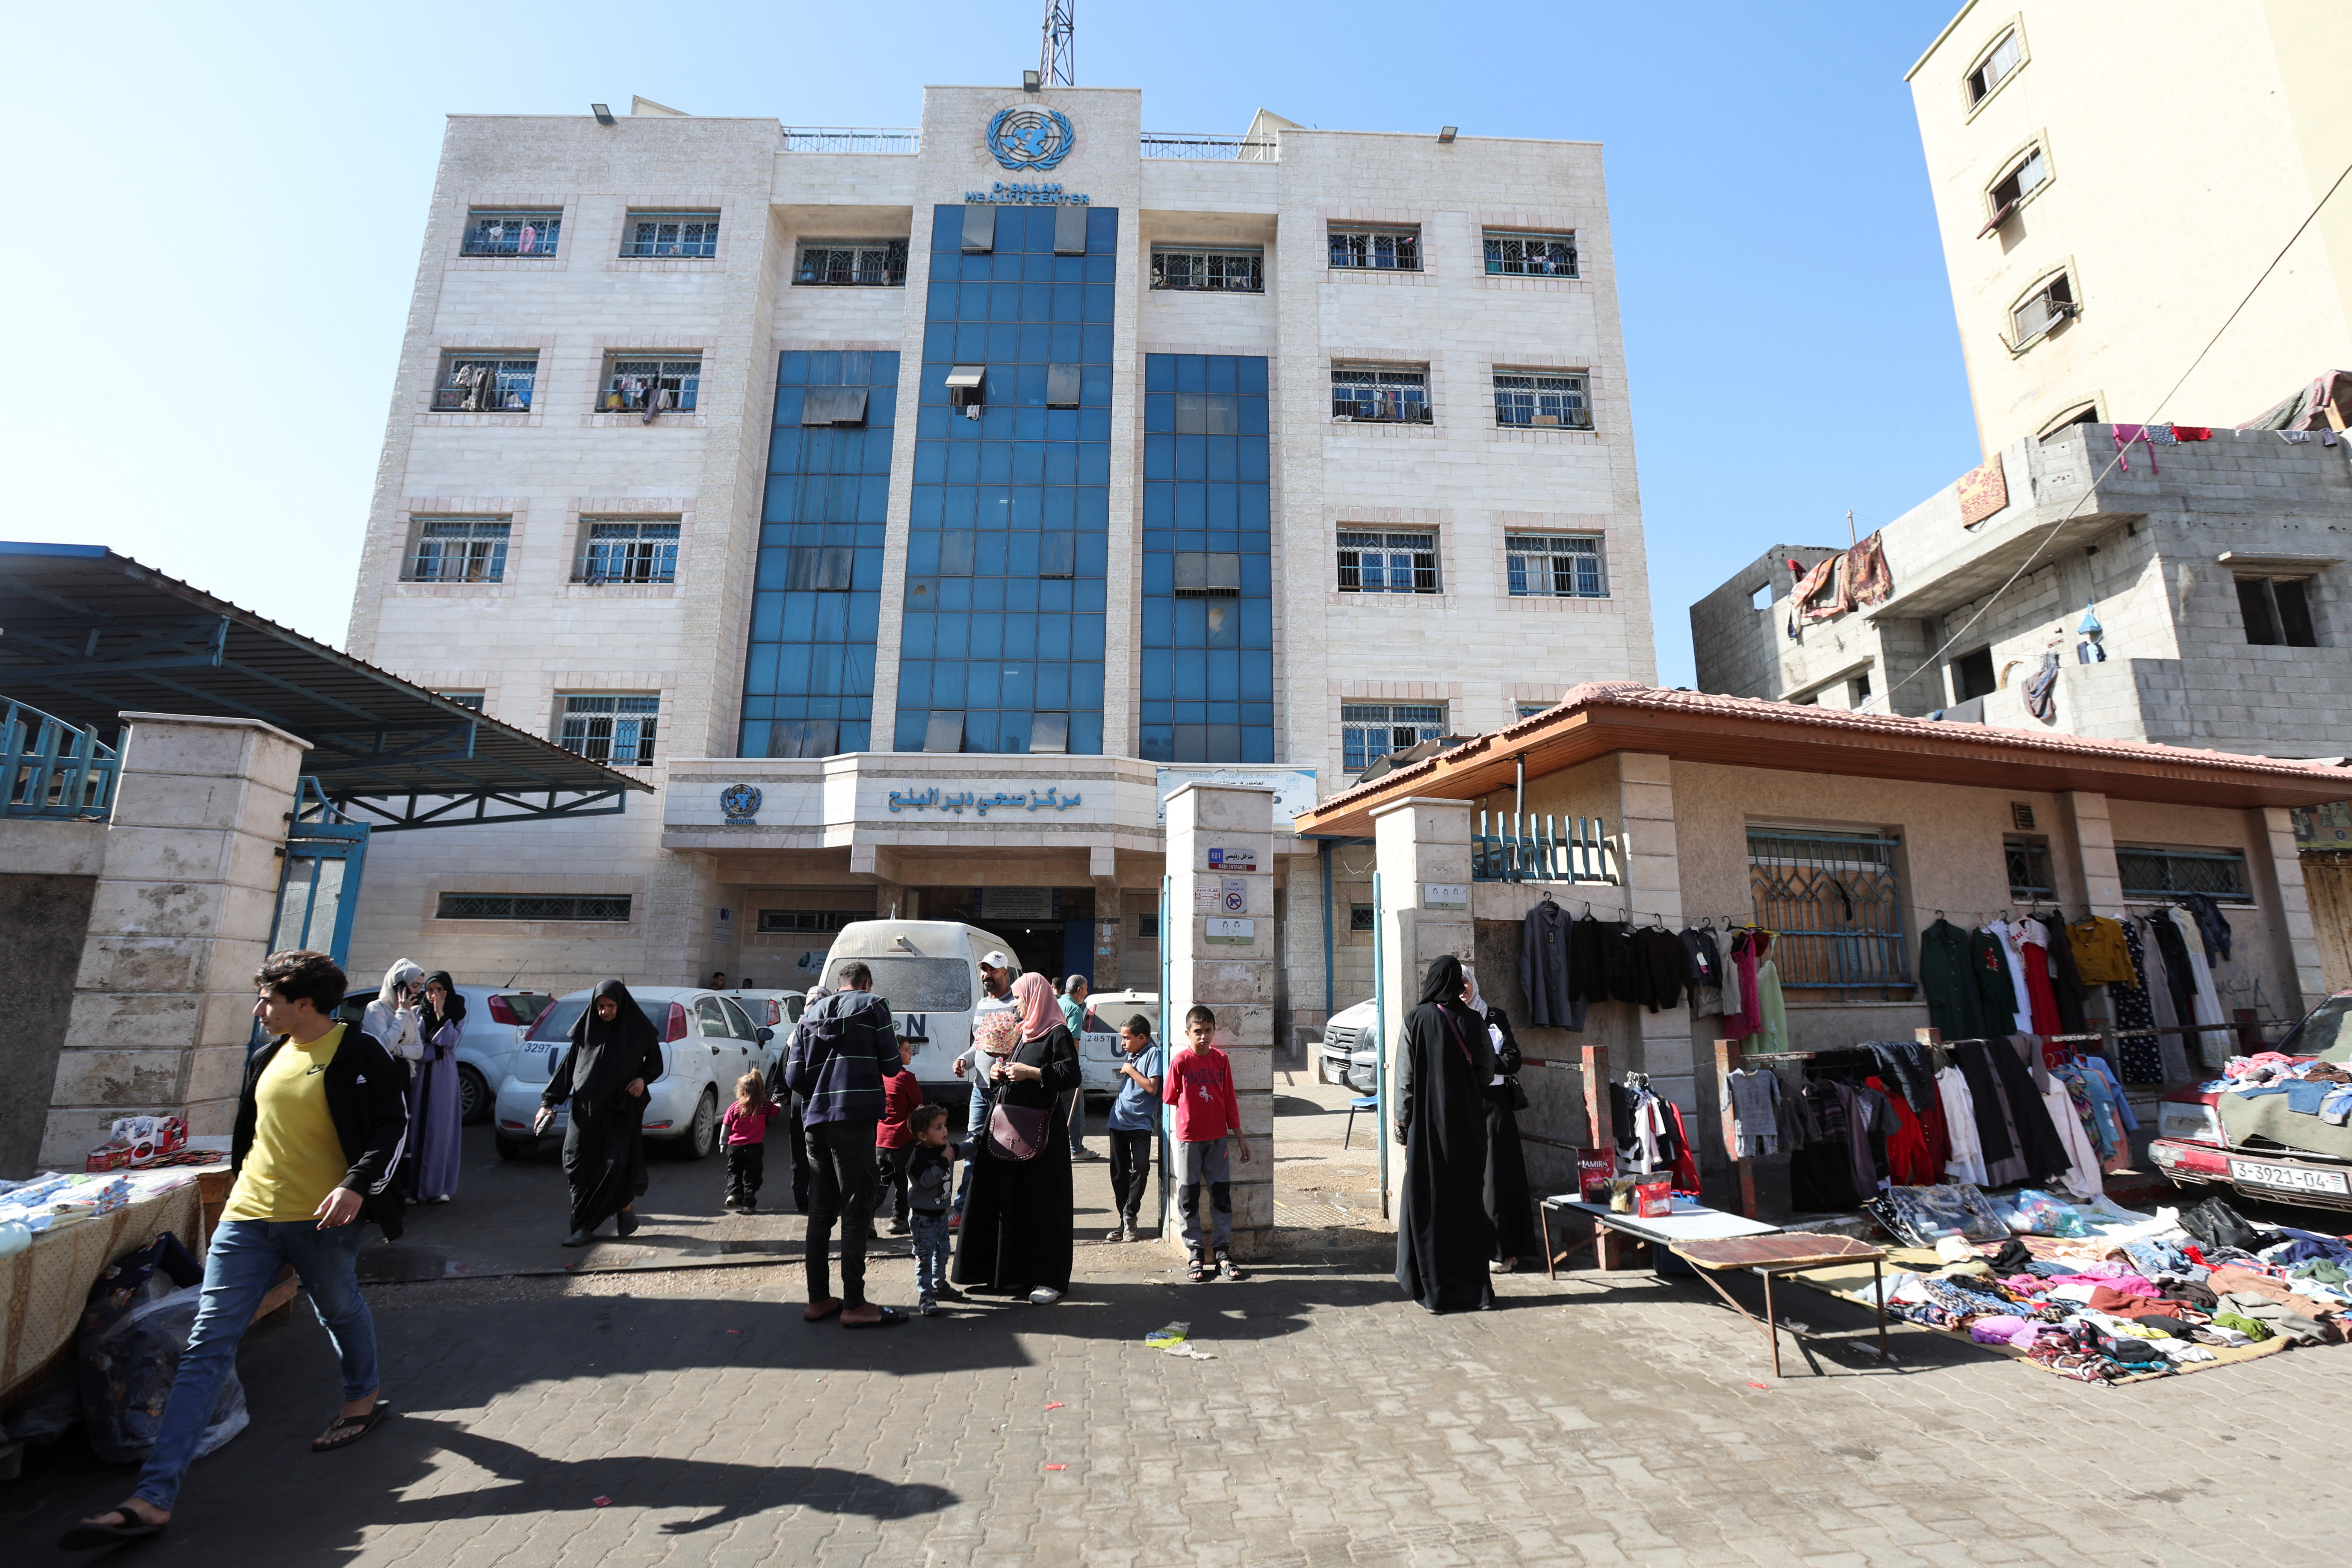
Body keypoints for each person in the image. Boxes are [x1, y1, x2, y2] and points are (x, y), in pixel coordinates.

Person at [59, 950, 405, 1550]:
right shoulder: (266, 1058)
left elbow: (391, 1125)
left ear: (304, 1002)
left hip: (321, 1218)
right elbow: (252, 1140)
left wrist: (357, 1185)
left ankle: (361, 1397)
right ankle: (152, 1497)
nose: (259, 1009)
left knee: (338, 1306)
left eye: (268, 999)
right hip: (248, 1217)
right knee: (207, 1344)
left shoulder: (359, 1052)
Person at [786, 961, 908, 1326]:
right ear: (866, 983)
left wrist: (821, 1091)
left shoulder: (809, 1014)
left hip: (815, 1122)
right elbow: (891, 1065)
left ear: (839, 985)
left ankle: (818, 1300)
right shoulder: (874, 1006)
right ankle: (855, 1304)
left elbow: (793, 1075)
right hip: (854, 1121)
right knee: (856, 1210)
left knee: (821, 1211)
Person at [954, 972, 1082, 1305]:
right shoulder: (1023, 1033)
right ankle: (1009, 1275)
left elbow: (1071, 1075)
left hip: (1042, 1136)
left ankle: (1050, 1279)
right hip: (1009, 1132)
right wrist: (999, 1073)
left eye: (1022, 998)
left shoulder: (1057, 1033)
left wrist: (1034, 1073)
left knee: (1044, 1206)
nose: (1018, 1005)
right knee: (1010, 1202)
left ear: (1036, 997)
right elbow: (1011, 1072)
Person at [1394, 954, 1498, 1314]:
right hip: (1469, 1127)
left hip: (1427, 1131)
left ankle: (1434, 1293)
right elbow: (1487, 1073)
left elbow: (1405, 1080)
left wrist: (1401, 1123)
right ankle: (1478, 1294)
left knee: (1430, 1204)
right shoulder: (1473, 1020)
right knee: (1468, 1204)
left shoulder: (1416, 1019)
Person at [535, 980, 663, 1248]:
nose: (605, 1012)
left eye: (611, 1006)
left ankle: (584, 1227)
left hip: (619, 1111)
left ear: (621, 1005)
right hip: (584, 1112)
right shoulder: (587, 1032)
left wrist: (642, 1079)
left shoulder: (637, 1032)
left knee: (612, 1166)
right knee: (578, 1166)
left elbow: (655, 1064)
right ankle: (624, 1210)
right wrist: (549, 1103)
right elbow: (568, 1070)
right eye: (600, 1007)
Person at [1164, 1004, 1253, 1283]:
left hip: (1217, 1140)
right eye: (1198, 1031)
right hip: (1189, 1140)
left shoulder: (1221, 1060)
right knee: (1189, 1198)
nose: (1203, 1036)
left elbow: (1229, 1100)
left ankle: (1223, 1252)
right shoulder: (1181, 1062)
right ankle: (1195, 1254)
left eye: (1208, 1031)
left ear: (1214, 1031)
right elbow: (1169, 1096)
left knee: (1221, 1196)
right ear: (1188, 1033)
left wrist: (1239, 1136)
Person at [1464, 970, 1539, 1274]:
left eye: (1466, 982)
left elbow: (1513, 1059)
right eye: (1456, 984)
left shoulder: (1494, 1016)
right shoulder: (1447, 1017)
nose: (1462, 989)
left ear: (1474, 982)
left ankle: (1503, 1250)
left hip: (1495, 1106)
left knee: (1497, 1178)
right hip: (1464, 1104)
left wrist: (1481, 1063)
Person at [950, 950, 1016, 1223]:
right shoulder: (981, 1005)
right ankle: (963, 1210)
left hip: (1006, 1090)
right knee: (972, 1145)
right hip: (980, 1089)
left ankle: (1005, 1208)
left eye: (992, 970)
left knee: (1009, 1147)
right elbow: (978, 1044)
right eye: (984, 970)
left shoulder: (1017, 1003)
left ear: (1005, 972)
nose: (987, 975)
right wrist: (964, 1060)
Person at [1104, 1014, 1164, 1242]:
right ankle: (1125, 1221)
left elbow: (1152, 1087)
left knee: (1141, 1167)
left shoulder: (1153, 1054)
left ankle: (1131, 1213)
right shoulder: (1134, 1053)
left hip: (1140, 1123)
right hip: (1118, 1121)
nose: (1123, 1043)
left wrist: (1130, 1070)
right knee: (1119, 1172)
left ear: (1142, 1037)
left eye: (1126, 1038)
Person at [408, 972, 467, 1204]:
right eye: (431, 990)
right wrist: (431, 1051)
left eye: (440, 990)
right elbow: (415, 1045)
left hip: (443, 1075)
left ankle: (436, 1186)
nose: (435, 995)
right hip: (420, 1074)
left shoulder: (456, 1012)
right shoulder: (415, 1013)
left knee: (439, 1127)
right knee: (415, 1126)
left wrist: (440, 1013)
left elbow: (448, 1041)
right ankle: (410, 1187)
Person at [904, 1103, 968, 1315]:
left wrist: (982, 1138)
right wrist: (944, 1161)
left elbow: (964, 1148)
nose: (945, 1131)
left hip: (941, 1216)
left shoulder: (946, 1149)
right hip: (923, 1219)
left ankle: (940, 1286)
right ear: (922, 1136)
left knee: (942, 1253)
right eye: (938, 1127)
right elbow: (929, 1181)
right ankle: (926, 1295)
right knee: (924, 1256)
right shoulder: (917, 1159)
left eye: (945, 1125)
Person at [875, 1036, 922, 1235]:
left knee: (880, 1181)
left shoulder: (878, 1077)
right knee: (904, 1182)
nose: (911, 1052)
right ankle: (899, 1218)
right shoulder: (906, 1078)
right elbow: (919, 1106)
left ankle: (866, 1218)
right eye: (906, 1050)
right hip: (903, 1140)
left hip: (881, 1140)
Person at [721, 1071, 782, 1213]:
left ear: (740, 1091)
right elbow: (777, 1111)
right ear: (761, 1090)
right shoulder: (765, 1106)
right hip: (754, 1149)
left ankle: (733, 1193)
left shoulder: (735, 1107)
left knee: (734, 1172)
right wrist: (780, 1102)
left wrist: (723, 1144)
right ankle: (748, 1204)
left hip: (735, 1147)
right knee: (752, 1175)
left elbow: (726, 1126)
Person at [363, 959, 425, 1093]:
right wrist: (402, 1012)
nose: (419, 991)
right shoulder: (376, 1009)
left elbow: (419, 1051)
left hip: (404, 1076)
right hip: (379, 1078)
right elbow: (385, 1045)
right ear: (399, 986)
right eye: (415, 985)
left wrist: (395, 1050)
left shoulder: (409, 1013)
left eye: (421, 986)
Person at [1059, 974, 1102, 1160]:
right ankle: (1076, 1149)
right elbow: (1073, 1042)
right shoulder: (1074, 1010)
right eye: (1086, 989)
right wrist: (1074, 1071)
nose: (1087, 992)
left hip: (1051, 1067)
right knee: (1076, 1108)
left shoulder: (1056, 1004)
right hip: (1067, 1067)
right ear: (1079, 991)